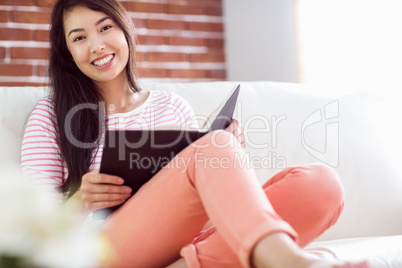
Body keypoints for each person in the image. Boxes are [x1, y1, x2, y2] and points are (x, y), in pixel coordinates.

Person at [21, 0, 369, 267]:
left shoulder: (172, 107)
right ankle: (292, 261)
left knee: (321, 184)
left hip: (186, 238)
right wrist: (79, 200)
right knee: (212, 146)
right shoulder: (52, 116)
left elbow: (211, 203)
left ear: (125, 30)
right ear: (67, 53)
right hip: (104, 247)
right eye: (79, 38)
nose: (96, 45)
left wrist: (230, 152)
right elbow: (29, 230)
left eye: (104, 28)